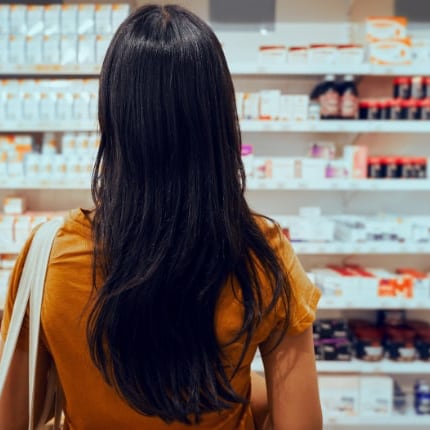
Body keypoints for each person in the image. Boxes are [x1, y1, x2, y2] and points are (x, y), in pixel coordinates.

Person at [0, 4, 322, 430]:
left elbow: (12, 414)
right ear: (221, 119)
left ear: (111, 117)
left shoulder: (48, 255)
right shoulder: (259, 252)